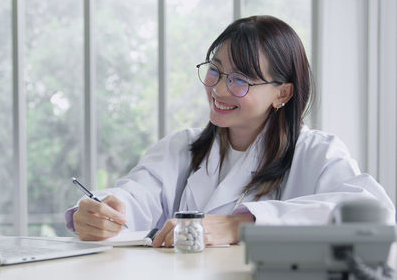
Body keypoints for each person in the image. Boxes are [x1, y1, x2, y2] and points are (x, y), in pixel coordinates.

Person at [64, 15, 395, 247]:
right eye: (215, 71)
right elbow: (136, 196)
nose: (219, 90)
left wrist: (241, 224)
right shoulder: (182, 147)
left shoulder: (317, 152)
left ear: (282, 93)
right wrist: (103, 212)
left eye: (240, 80)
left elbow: (375, 215)